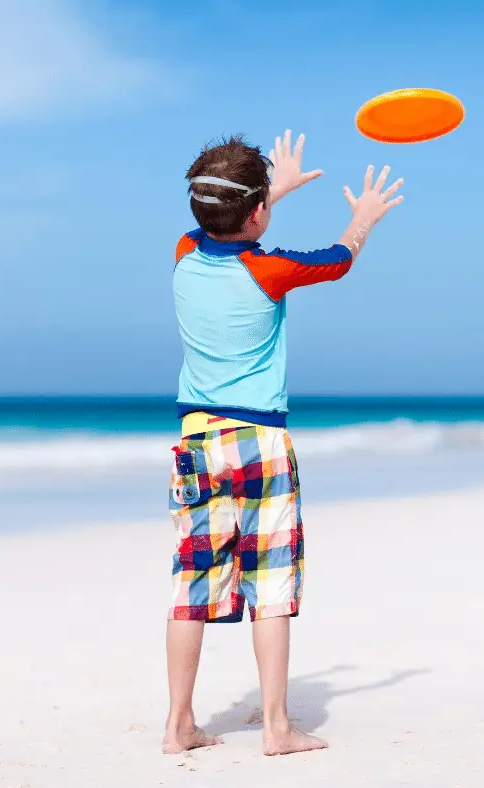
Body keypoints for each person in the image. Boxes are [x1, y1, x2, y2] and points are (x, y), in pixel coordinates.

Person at [164, 130, 403, 756]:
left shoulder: (183, 251)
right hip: (258, 443)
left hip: (195, 443)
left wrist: (272, 194)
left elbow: (222, 223)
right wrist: (362, 220)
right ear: (257, 212)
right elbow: (337, 259)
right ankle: (274, 726)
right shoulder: (269, 271)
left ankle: (179, 724)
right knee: (269, 586)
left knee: (192, 585)